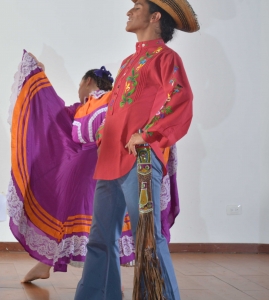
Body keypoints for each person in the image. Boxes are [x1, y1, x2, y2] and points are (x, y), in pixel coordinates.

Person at [7, 53, 180, 284]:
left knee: (95, 223)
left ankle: (90, 278)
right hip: (102, 166)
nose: (79, 88)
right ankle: (66, 271)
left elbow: (54, 113)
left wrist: (37, 76)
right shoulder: (92, 106)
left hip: (96, 166)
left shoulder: (99, 104)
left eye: (80, 84)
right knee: (99, 224)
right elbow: (55, 115)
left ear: (89, 82)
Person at [74, 0, 198, 299]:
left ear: (156, 16)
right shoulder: (128, 62)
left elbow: (179, 97)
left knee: (147, 238)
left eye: (138, 6)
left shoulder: (167, 57)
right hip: (110, 158)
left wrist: (147, 133)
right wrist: (106, 129)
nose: (129, 12)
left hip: (139, 159)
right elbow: (121, 106)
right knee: (100, 238)